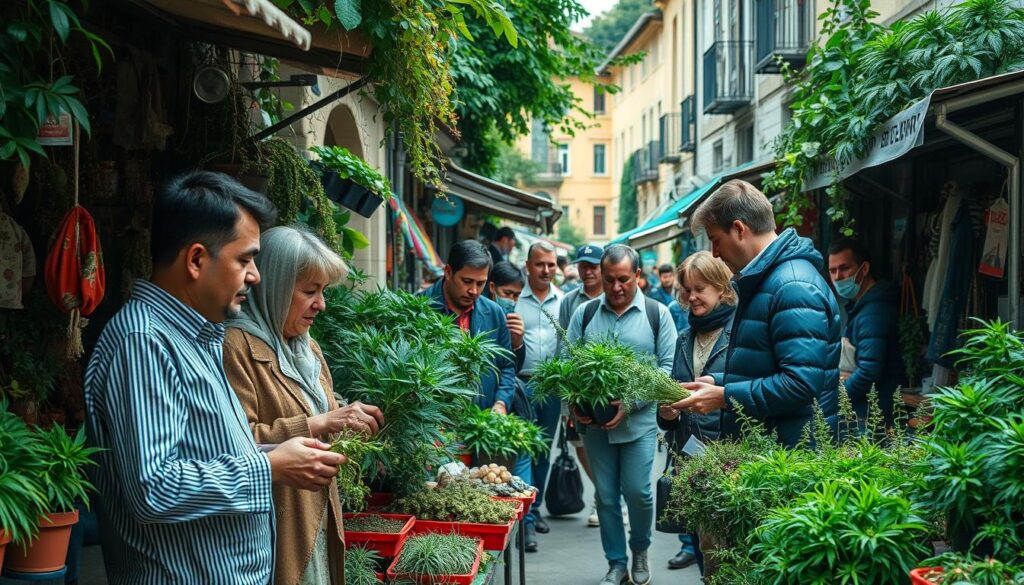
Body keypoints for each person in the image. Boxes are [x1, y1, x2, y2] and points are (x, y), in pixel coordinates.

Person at [84, 171, 346, 584]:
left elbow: (204, 456)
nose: (255, 276)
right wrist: (270, 467)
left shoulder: (199, 335)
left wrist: (275, 453)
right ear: (195, 259)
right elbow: (154, 488)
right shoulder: (144, 342)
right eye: (245, 259)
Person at [223, 225, 385, 585]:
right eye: (310, 291)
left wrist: (346, 417)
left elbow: (325, 410)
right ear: (276, 287)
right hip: (276, 522)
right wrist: (320, 423)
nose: (321, 304)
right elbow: (236, 441)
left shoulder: (305, 347)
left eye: (323, 291)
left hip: (317, 512)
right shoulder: (235, 346)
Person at [673, 180, 841, 447]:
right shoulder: (770, 280)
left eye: (716, 241)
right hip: (775, 453)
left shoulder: (792, 285)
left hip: (792, 457)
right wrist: (718, 380)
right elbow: (766, 365)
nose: (715, 254)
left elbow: (799, 384)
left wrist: (724, 395)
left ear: (739, 229)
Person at [567, 244, 677, 585]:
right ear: (600, 276)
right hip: (594, 426)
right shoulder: (584, 314)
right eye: (609, 279)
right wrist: (572, 402)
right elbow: (565, 366)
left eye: (624, 280)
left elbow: (668, 369)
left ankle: (640, 549)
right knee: (606, 496)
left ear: (639, 277)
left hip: (639, 424)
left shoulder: (659, 314)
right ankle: (616, 563)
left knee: (638, 492)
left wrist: (631, 401)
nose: (616, 287)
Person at [658, 252, 736, 574]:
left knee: (721, 551)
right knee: (703, 546)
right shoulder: (684, 338)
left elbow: (748, 388)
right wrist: (667, 413)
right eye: (687, 289)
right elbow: (674, 400)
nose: (691, 297)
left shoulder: (740, 333)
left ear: (721, 288)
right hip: (688, 457)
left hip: (729, 455)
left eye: (700, 288)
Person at [422, 240, 516, 412]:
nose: (473, 290)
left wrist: (501, 403)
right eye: (467, 281)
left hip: (481, 421)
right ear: (448, 272)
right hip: (431, 424)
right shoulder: (419, 309)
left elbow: (507, 366)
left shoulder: (495, 313)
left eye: (481, 284)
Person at [515, 242, 564, 551]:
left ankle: (536, 505)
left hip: (553, 386)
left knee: (543, 451)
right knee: (524, 450)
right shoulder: (513, 300)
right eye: (540, 264)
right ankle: (527, 518)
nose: (546, 270)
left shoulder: (566, 301)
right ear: (528, 266)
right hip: (522, 384)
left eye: (551, 264)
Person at [827, 237, 902, 425]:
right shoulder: (861, 307)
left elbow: (869, 371)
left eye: (844, 268)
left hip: (873, 413)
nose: (837, 277)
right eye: (832, 270)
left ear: (864, 269)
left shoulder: (874, 311)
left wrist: (837, 398)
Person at [558, 243, 604, 526]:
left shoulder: (615, 296)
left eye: (592, 266)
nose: (587, 271)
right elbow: (562, 344)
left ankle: (609, 497)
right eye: (583, 266)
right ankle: (603, 491)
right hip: (577, 389)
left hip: (606, 388)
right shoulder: (569, 301)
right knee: (579, 443)